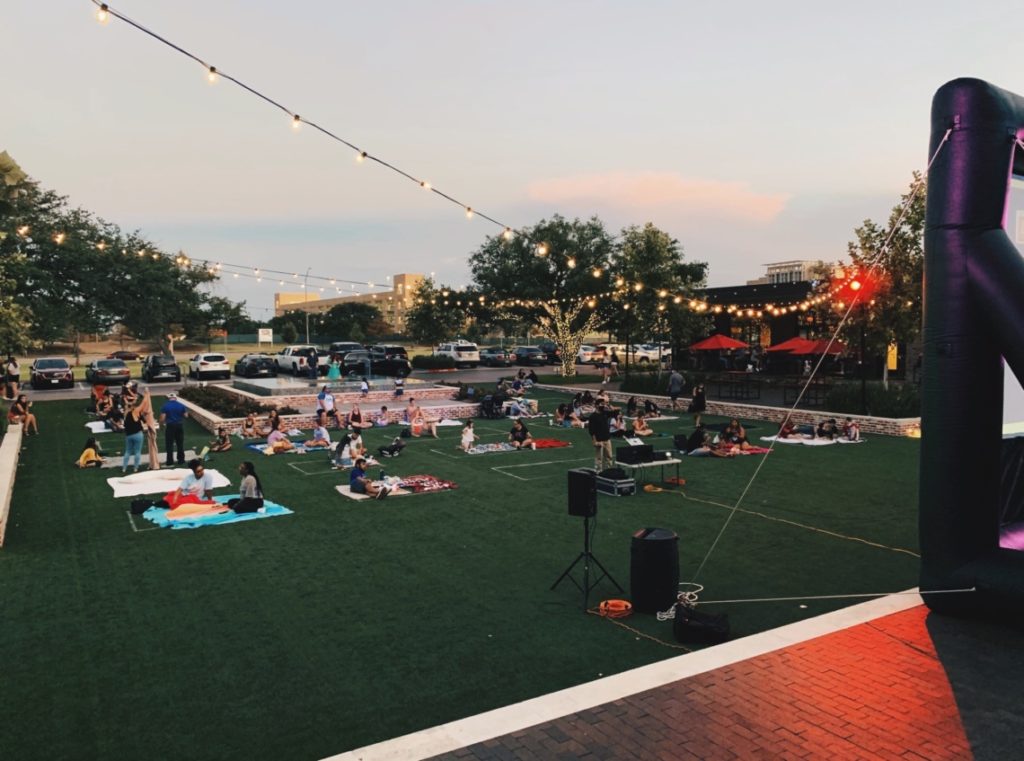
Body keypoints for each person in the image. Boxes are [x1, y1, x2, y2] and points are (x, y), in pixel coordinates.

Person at [159, 392, 189, 466]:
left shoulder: (165, 406)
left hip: (170, 426)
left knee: (169, 444)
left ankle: (170, 462)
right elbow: (186, 416)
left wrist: (161, 425)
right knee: (180, 443)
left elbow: (162, 418)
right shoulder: (181, 405)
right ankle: (181, 460)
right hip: (179, 425)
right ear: (176, 398)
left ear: (169, 398)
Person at [139, 389, 161, 470]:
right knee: (151, 446)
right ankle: (153, 463)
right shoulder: (147, 401)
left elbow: (145, 410)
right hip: (149, 426)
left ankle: (154, 464)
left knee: (152, 446)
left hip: (150, 427)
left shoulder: (147, 404)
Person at [122, 397, 146, 472]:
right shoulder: (136, 412)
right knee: (137, 452)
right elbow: (144, 421)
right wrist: (146, 394)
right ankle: (135, 468)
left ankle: (124, 468)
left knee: (128, 451)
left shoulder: (125, 414)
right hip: (137, 434)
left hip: (128, 435)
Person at [588, 401, 612, 470]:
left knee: (609, 457)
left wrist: (609, 405)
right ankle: (598, 472)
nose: (603, 406)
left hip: (607, 439)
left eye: (604, 404)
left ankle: (609, 471)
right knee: (599, 458)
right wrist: (594, 441)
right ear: (596, 405)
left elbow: (615, 412)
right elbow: (591, 431)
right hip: (599, 440)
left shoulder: (605, 413)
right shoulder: (593, 416)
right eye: (602, 404)